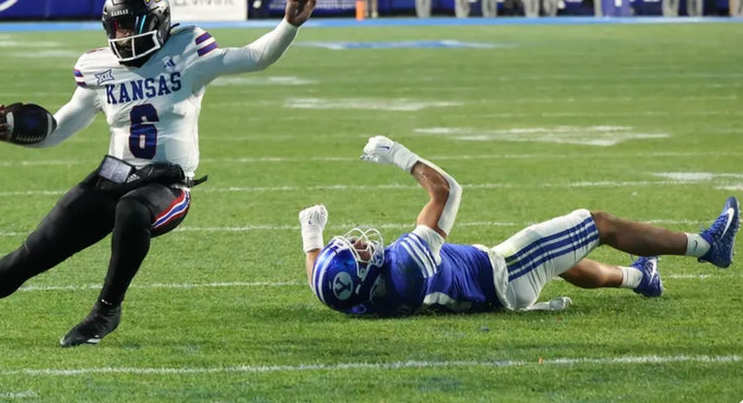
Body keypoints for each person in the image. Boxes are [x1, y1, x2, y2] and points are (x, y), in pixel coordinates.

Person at [0, 0, 318, 347]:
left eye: (127, 24)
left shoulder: (187, 51)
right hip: (112, 176)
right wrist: (14, 132)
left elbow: (254, 56)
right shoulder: (98, 69)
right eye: (114, 26)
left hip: (167, 185)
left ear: (154, 23)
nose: (120, 34)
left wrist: (289, 25)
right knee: (33, 252)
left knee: (132, 209)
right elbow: (58, 129)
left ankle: (106, 310)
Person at [298, 136, 739, 317]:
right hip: (504, 273)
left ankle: (642, 278)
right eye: (355, 252)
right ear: (364, 275)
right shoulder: (404, 270)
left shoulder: (357, 297)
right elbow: (448, 192)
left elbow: (324, 281)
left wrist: (312, 237)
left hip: (495, 283)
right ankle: (707, 246)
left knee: (561, 259)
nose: (358, 242)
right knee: (598, 224)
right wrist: (399, 154)